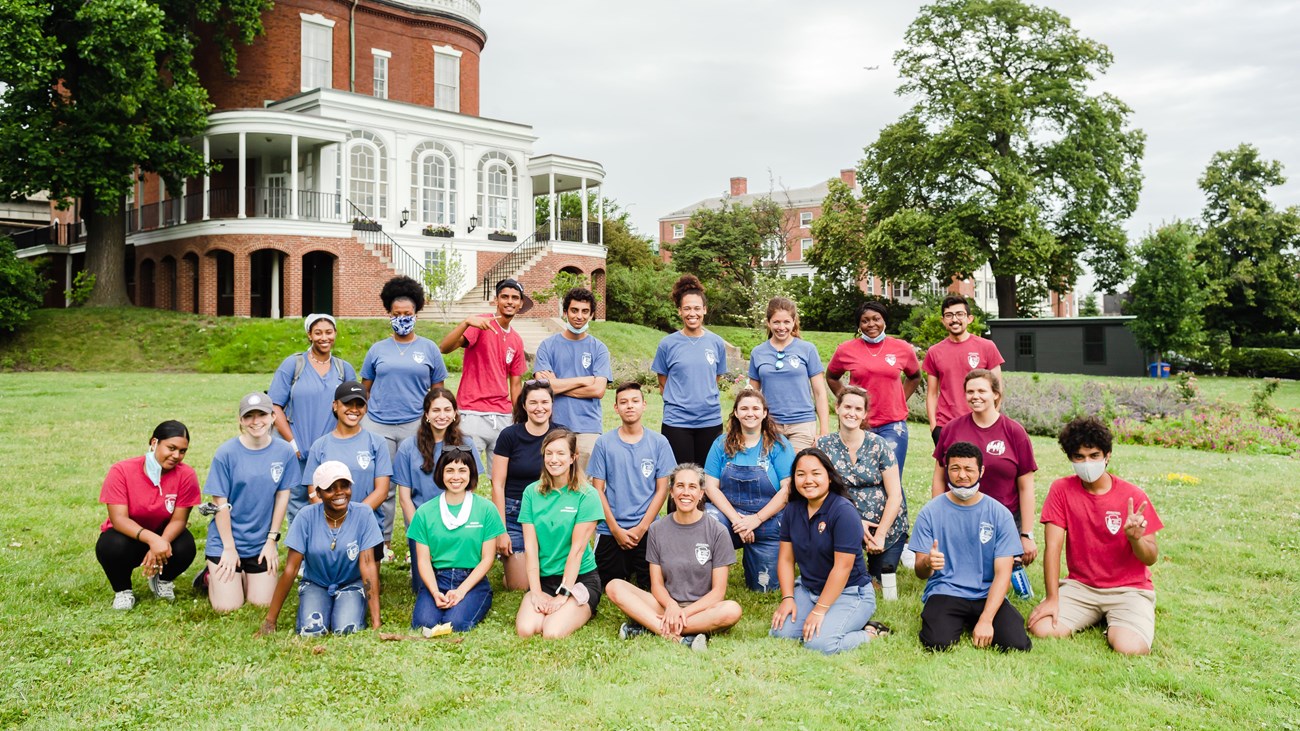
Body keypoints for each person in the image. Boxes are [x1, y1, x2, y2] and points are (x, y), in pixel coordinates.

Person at [1029, 417, 1163, 656]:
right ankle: (1099, 616)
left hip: (1129, 589)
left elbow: (1151, 557)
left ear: (1107, 455)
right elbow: (1053, 548)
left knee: (1130, 648)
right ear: (1070, 458)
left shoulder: (1133, 496)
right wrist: (1052, 597)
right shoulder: (1061, 489)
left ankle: (1119, 621)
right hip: (1081, 587)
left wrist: (1135, 539)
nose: (1086, 463)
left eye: (1093, 456)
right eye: (1079, 457)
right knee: (1042, 628)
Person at [606, 463, 743, 651]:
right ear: (671, 491)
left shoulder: (717, 531)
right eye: (680, 486)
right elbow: (657, 585)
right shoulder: (657, 529)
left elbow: (718, 593)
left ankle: (648, 627)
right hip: (665, 606)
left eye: (692, 487)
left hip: (701, 610)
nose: (685, 492)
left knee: (732, 610)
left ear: (701, 493)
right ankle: (678, 638)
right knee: (615, 586)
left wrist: (682, 613)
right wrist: (671, 606)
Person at [910, 441, 1032, 652]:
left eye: (969, 469)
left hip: (986, 592)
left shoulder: (999, 514)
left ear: (981, 471)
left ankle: (975, 620)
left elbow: (1003, 574)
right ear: (947, 470)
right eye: (955, 468)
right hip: (946, 590)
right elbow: (921, 572)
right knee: (937, 644)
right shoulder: (929, 513)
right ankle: (956, 621)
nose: (962, 475)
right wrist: (928, 562)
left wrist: (986, 619)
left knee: (1017, 644)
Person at [361, 275, 449, 560]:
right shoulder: (377, 350)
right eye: (397, 314)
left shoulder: (429, 349)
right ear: (389, 313)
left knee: (420, 485)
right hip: (379, 424)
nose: (402, 319)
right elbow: (365, 389)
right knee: (382, 487)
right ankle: (382, 543)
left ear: (416, 314)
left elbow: (439, 393)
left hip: (415, 425)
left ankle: (420, 543)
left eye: (407, 314)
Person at [770, 448, 889, 654]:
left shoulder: (843, 511)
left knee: (819, 644)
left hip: (850, 592)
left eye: (816, 473)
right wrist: (788, 598)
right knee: (780, 633)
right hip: (809, 590)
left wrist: (819, 611)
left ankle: (870, 632)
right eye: (801, 474)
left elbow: (842, 568)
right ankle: (837, 621)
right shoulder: (792, 509)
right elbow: (786, 560)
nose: (808, 480)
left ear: (830, 477)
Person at [258, 461, 383, 636]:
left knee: (347, 629)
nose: (339, 492)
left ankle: (351, 605)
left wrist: (377, 623)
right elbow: (291, 569)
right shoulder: (305, 517)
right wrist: (270, 621)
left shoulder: (364, 514)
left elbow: (368, 566)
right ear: (318, 493)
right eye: (330, 488)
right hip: (316, 583)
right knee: (312, 631)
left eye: (344, 486)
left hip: (350, 583)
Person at [203, 393, 299, 612]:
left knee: (262, 603)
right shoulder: (226, 453)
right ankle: (210, 576)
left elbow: (282, 496)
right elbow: (220, 504)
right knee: (228, 607)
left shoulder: (284, 452)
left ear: (273, 416)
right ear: (240, 420)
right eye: (249, 416)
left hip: (260, 543)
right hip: (226, 540)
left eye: (262, 415)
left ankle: (242, 575)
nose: (256, 422)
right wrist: (228, 548)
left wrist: (271, 541)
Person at [932, 369, 1038, 566]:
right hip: (959, 515)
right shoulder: (952, 429)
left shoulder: (1014, 432)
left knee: (1003, 573)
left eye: (982, 391)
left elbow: (1026, 487)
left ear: (996, 394)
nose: (975, 396)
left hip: (1003, 519)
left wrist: (1026, 534)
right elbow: (939, 477)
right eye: (970, 392)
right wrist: (938, 518)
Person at [96, 420, 200, 610]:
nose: (177, 456)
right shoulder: (121, 471)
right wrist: (153, 540)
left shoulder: (187, 475)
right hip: (129, 535)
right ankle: (123, 590)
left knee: (186, 545)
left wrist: (162, 542)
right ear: (154, 443)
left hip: (164, 534)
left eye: (182, 451)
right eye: (171, 448)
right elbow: (118, 519)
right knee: (110, 545)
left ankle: (162, 579)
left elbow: (179, 520)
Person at [702, 388, 794, 593]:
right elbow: (710, 486)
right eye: (744, 408)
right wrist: (737, 520)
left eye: (755, 408)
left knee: (763, 587)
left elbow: (787, 490)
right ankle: (704, 575)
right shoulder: (721, 443)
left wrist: (756, 519)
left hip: (768, 521)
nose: (749, 413)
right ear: (735, 412)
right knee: (707, 519)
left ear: (764, 413)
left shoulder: (779, 445)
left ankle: (756, 559)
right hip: (729, 519)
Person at [816, 386, 907, 589]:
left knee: (882, 579)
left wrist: (881, 533)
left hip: (885, 525)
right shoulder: (823, 446)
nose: (852, 413)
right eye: (847, 406)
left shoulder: (879, 444)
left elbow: (895, 495)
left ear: (865, 414)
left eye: (858, 409)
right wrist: (856, 523)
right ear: (837, 408)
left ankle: (884, 552)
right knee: (843, 577)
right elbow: (819, 494)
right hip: (841, 522)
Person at [439, 277, 532, 479]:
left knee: (501, 480)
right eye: (504, 296)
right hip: (472, 414)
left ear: (521, 303)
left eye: (515, 298)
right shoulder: (481, 324)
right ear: (496, 300)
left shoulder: (516, 340)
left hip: (503, 418)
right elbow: (444, 348)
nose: (509, 301)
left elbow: (515, 384)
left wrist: (518, 419)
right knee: (462, 476)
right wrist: (465, 323)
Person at [515, 430, 604, 639]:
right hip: (545, 578)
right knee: (526, 629)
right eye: (549, 453)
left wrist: (564, 593)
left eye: (561, 454)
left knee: (552, 632)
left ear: (573, 457)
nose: (554, 460)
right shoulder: (531, 492)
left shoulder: (587, 495)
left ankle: (580, 606)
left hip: (579, 579)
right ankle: (552, 602)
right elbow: (531, 547)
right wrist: (536, 591)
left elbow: (577, 550)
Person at [269, 313, 356, 524]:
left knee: (330, 497)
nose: (324, 337)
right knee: (298, 502)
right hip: (298, 448)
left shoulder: (343, 369)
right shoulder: (293, 365)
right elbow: (274, 406)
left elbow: (354, 409)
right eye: (318, 333)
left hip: (330, 448)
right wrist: (292, 443)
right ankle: (302, 549)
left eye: (328, 332)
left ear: (335, 334)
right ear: (309, 335)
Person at [588, 382, 674, 591]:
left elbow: (662, 489)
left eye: (635, 401)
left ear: (644, 405)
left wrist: (642, 527)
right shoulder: (604, 443)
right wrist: (616, 530)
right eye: (623, 402)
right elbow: (597, 489)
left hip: (647, 528)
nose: (630, 406)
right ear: (615, 408)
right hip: (611, 528)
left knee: (652, 584)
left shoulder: (659, 442)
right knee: (607, 584)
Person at [408, 447, 504, 632]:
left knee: (455, 624)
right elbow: (423, 560)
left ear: (471, 474)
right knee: (424, 624)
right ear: (441, 473)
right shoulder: (425, 512)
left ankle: (474, 599)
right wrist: (435, 592)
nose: (456, 477)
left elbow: (487, 559)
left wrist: (461, 591)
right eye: (450, 470)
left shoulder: (486, 509)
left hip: (471, 579)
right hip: (438, 578)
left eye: (462, 470)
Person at [395, 386, 482, 581]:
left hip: (458, 523)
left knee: (458, 580)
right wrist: (421, 533)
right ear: (426, 414)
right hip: (423, 525)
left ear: (455, 413)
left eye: (447, 410)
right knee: (424, 586)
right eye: (436, 410)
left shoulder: (466, 444)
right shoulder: (408, 447)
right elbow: (404, 499)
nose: (441, 415)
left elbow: (471, 488)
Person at [826, 300, 921, 476]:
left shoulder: (902, 348)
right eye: (865, 320)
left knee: (891, 479)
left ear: (884, 320)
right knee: (861, 476)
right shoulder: (846, 350)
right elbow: (832, 377)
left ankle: (896, 505)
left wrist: (899, 400)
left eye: (876, 319)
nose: (871, 324)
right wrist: (847, 401)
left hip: (892, 425)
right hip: (858, 423)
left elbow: (914, 376)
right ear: (859, 325)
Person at [300, 381, 392, 561]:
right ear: (335, 405)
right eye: (348, 404)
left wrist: (352, 519)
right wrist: (335, 520)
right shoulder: (320, 446)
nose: (354, 409)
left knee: (367, 586)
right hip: (328, 526)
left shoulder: (377, 442)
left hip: (366, 525)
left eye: (360, 404)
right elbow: (313, 492)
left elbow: (381, 491)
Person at [492, 380, 567, 590]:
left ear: (552, 404)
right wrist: (501, 530)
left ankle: (532, 559)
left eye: (545, 402)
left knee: (551, 576)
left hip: (548, 511)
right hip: (514, 511)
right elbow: (497, 484)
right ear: (524, 405)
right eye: (533, 402)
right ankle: (516, 563)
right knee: (519, 585)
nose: (539, 408)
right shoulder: (509, 436)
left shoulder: (560, 435)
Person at [532, 287, 612, 470]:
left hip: (588, 428)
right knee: (553, 482)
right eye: (574, 310)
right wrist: (584, 380)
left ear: (591, 315)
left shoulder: (599, 349)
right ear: (565, 311)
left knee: (583, 486)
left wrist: (557, 384)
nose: (579, 316)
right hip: (553, 425)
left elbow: (598, 391)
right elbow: (542, 387)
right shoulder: (548, 346)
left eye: (585, 311)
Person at [653, 274, 727, 467]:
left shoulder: (716, 343)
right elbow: (663, 383)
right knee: (680, 477)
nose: (692, 313)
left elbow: (714, 379)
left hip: (710, 421)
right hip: (677, 423)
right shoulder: (667, 344)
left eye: (696, 308)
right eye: (687, 308)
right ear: (679, 311)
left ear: (704, 310)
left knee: (707, 478)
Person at [748, 296, 829, 452]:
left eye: (786, 322)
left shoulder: (807, 349)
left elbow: (820, 393)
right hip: (770, 425)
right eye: (776, 322)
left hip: (802, 425)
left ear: (793, 322)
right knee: (773, 473)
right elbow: (752, 394)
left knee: (798, 471)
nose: (781, 327)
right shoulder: (758, 352)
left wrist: (823, 431)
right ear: (768, 322)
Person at [923, 294, 1004, 444]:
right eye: (949, 315)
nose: (954, 319)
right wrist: (934, 426)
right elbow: (932, 394)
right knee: (950, 468)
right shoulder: (934, 352)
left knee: (980, 467)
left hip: (980, 422)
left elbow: (997, 389)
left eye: (960, 314)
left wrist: (992, 419)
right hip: (946, 425)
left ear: (969, 318)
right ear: (943, 321)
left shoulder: (987, 347)